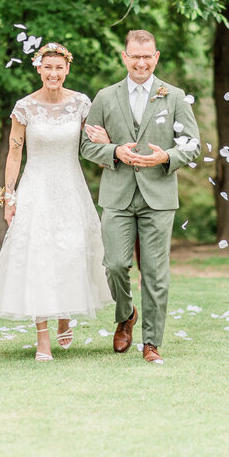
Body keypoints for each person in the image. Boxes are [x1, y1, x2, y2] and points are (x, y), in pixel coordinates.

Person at [0, 43, 113, 361]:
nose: (53, 73)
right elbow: (15, 153)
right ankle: (42, 339)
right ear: (38, 69)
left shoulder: (81, 103)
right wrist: (8, 196)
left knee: (70, 252)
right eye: (47, 67)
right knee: (38, 256)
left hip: (71, 188)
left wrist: (107, 142)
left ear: (67, 69)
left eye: (59, 67)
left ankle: (65, 314)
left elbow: (94, 141)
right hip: (36, 188)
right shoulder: (24, 107)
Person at [80, 30, 201, 363]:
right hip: (117, 195)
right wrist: (114, 149)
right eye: (135, 56)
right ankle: (126, 314)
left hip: (159, 195)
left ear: (156, 57)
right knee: (115, 265)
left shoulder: (174, 96)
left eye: (148, 56)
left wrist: (166, 158)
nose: (142, 62)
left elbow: (193, 146)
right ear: (125, 57)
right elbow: (87, 146)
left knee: (155, 272)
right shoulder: (105, 97)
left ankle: (151, 342)